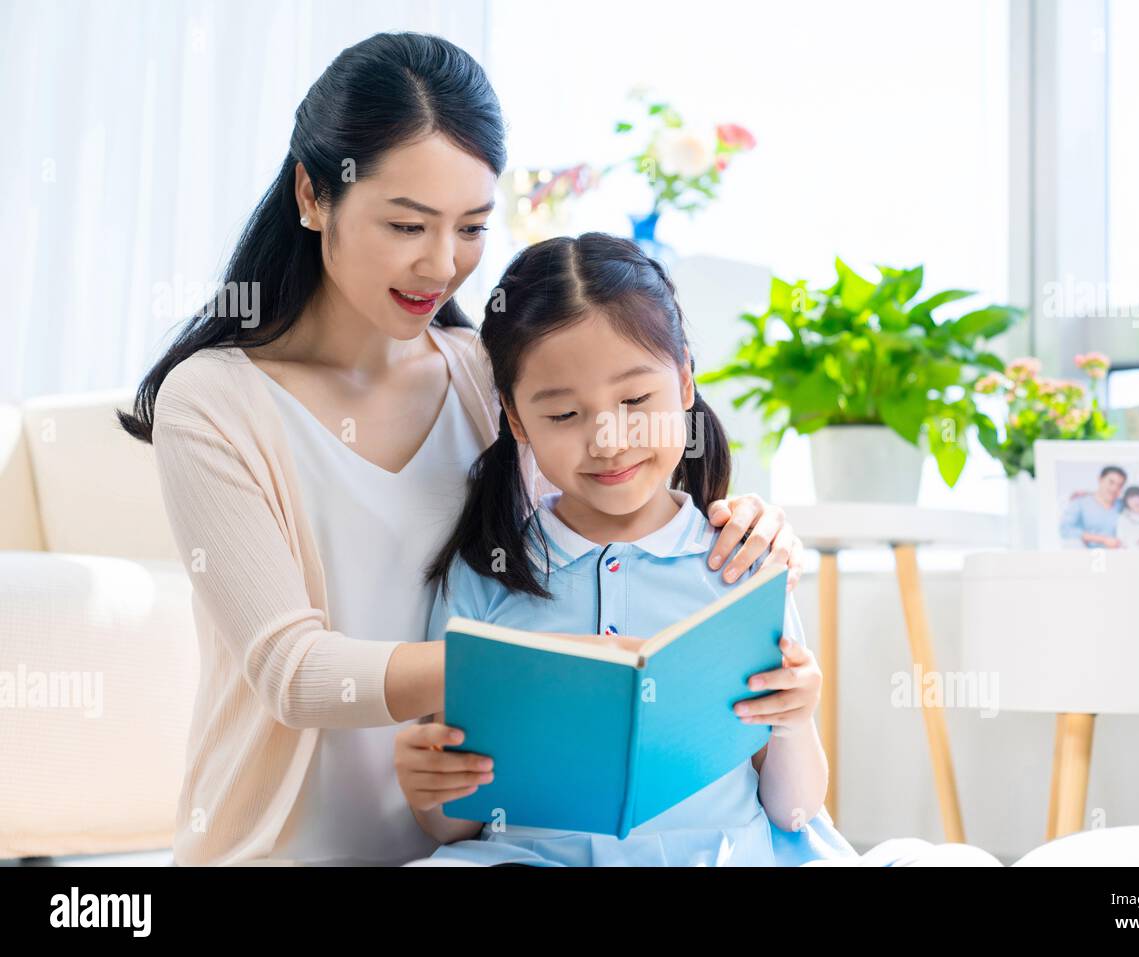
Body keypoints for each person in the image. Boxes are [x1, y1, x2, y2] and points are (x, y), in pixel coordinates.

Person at [119, 34, 803, 866]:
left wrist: (751, 531)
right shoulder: (216, 402)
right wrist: (541, 667)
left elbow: (612, 484)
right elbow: (292, 672)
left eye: (472, 227)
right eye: (407, 224)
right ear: (312, 192)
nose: (442, 265)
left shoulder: (486, 376)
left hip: (472, 840)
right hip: (281, 848)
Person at [400, 233, 856, 866]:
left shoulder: (740, 562)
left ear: (685, 381)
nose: (609, 441)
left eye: (636, 400)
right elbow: (451, 825)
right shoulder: (485, 573)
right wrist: (429, 791)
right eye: (563, 415)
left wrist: (795, 719)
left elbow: (794, 811)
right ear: (515, 418)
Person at [1059, 465, 1126, 548]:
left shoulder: (1122, 505)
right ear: (1100, 479)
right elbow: (1065, 529)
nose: (1115, 488)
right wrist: (1103, 540)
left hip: (1117, 555)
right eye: (1111, 482)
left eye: (1120, 485)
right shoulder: (1080, 502)